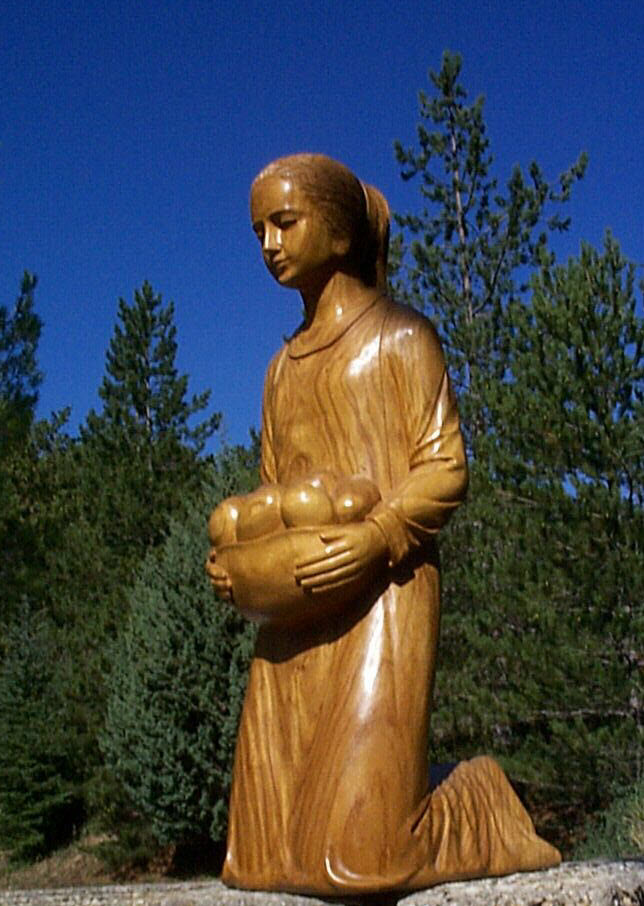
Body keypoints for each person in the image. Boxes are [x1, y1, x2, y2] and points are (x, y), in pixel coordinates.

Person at [206, 153, 560, 895]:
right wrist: (243, 558)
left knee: (363, 859)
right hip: (299, 605)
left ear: (339, 233)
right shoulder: (280, 370)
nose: (268, 243)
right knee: (262, 858)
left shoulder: (400, 338)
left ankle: (484, 803)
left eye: (284, 223)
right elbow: (277, 493)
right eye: (258, 230)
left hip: (385, 591)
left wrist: (379, 536)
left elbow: (446, 468)